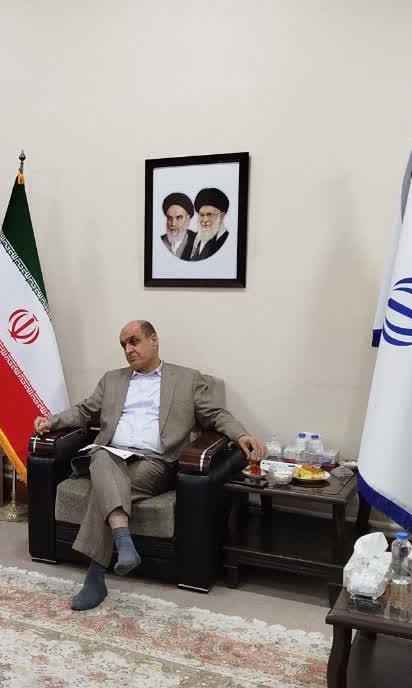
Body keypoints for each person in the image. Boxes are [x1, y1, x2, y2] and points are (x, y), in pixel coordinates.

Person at [33, 321, 262, 611]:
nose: (128, 349)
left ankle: (97, 575)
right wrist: (52, 421)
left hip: (155, 462)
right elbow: (85, 411)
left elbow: (215, 415)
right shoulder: (112, 379)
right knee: (100, 456)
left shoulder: (188, 379)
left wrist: (241, 434)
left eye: (134, 341)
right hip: (110, 455)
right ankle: (121, 545)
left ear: (154, 341)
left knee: (103, 485)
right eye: (124, 345)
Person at [188, 187, 231, 262]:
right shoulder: (197, 239)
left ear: (221, 216)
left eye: (209, 215)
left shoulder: (225, 241)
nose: (205, 220)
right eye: (202, 215)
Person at [159, 192, 197, 260]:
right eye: (170, 218)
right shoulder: (160, 241)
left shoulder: (198, 242)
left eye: (179, 218)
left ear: (187, 219)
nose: (173, 224)